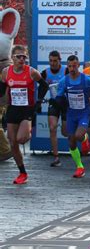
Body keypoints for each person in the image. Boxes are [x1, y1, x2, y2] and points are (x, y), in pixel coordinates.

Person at [0, 46, 49, 184]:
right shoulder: (6, 72)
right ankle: (22, 172)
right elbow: (2, 90)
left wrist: (39, 102)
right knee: (13, 142)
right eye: (19, 57)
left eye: (24, 57)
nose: (22, 59)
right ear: (12, 58)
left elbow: (44, 85)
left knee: (21, 139)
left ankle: (28, 131)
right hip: (13, 109)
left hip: (27, 109)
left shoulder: (31, 72)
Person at [55, 55, 90, 178]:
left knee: (79, 135)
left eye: (74, 66)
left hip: (84, 112)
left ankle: (84, 139)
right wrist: (57, 101)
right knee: (71, 142)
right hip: (71, 113)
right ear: (67, 66)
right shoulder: (64, 80)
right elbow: (59, 96)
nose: (72, 68)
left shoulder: (85, 79)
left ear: (78, 65)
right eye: (70, 66)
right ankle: (79, 167)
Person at [41, 50, 68, 167]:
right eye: (51, 61)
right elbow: (42, 88)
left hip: (66, 103)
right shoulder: (45, 73)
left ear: (60, 61)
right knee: (52, 128)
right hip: (54, 103)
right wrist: (38, 103)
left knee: (65, 132)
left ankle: (84, 137)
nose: (52, 63)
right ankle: (56, 157)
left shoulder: (66, 70)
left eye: (55, 61)